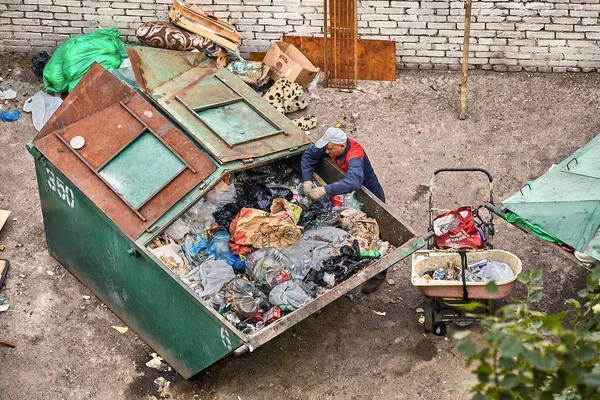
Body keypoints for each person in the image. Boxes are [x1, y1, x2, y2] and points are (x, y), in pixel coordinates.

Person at [300, 127, 387, 294]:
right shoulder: (330, 145)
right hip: (345, 198)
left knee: (374, 236)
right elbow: (309, 155)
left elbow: (354, 181)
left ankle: (379, 274)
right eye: (325, 148)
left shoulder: (354, 154)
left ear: (342, 146)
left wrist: (324, 190)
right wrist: (307, 181)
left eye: (330, 149)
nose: (326, 152)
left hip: (368, 197)